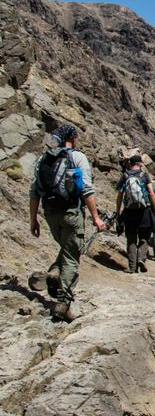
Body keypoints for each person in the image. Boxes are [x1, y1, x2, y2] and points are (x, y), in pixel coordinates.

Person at [29, 124, 106, 321]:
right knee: (72, 256)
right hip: (71, 213)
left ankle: (55, 272)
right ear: (71, 138)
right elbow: (87, 190)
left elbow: (34, 192)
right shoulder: (76, 157)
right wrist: (96, 217)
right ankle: (63, 304)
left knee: (66, 247)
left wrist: (33, 219)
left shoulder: (42, 159)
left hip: (50, 213)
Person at [116, 155, 155, 273]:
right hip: (144, 211)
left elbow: (119, 196)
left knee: (131, 239)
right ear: (140, 164)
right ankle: (141, 259)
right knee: (144, 238)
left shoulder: (125, 176)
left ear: (130, 163)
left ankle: (132, 267)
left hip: (129, 211)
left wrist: (118, 211)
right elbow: (151, 193)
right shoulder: (144, 175)